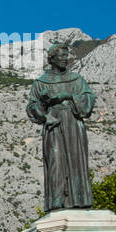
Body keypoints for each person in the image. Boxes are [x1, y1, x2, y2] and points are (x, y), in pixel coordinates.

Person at [26, 43, 96, 211]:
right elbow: (31, 108)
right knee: (55, 160)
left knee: (75, 159)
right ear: (52, 59)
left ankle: (79, 199)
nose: (66, 59)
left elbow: (88, 100)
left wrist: (69, 95)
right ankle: (56, 200)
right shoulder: (40, 83)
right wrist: (43, 110)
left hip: (73, 123)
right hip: (53, 123)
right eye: (62, 56)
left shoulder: (77, 80)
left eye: (67, 55)